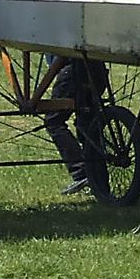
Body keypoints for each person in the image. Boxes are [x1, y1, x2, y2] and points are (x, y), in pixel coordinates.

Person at [40, 53, 108, 196]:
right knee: (89, 123)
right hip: (97, 68)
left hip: (73, 69)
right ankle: (99, 181)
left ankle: (81, 173)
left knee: (54, 121)